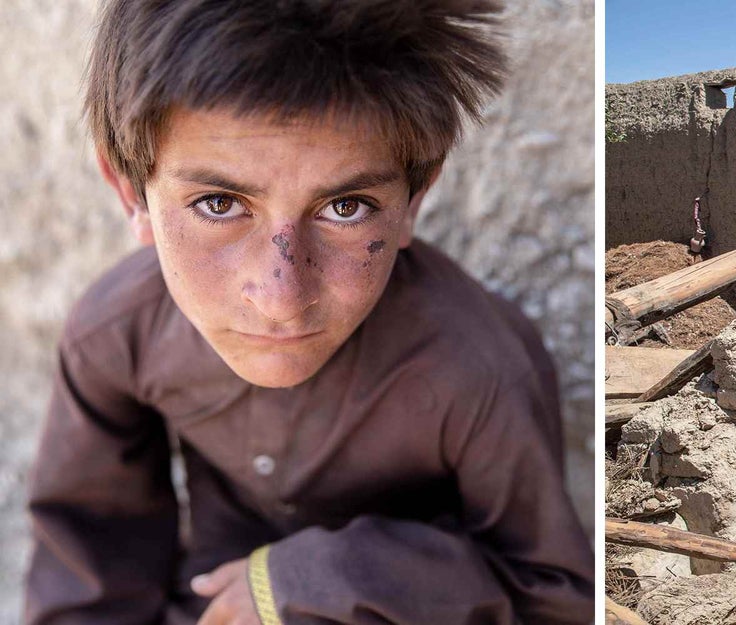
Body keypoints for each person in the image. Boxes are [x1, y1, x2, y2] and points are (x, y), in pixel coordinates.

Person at [23, 1, 593, 623]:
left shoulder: (476, 367)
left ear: (413, 200)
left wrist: (315, 577)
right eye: (218, 203)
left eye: (346, 207)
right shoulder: (117, 334)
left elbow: (552, 599)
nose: (281, 298)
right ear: (131, 192)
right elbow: (88, 577)